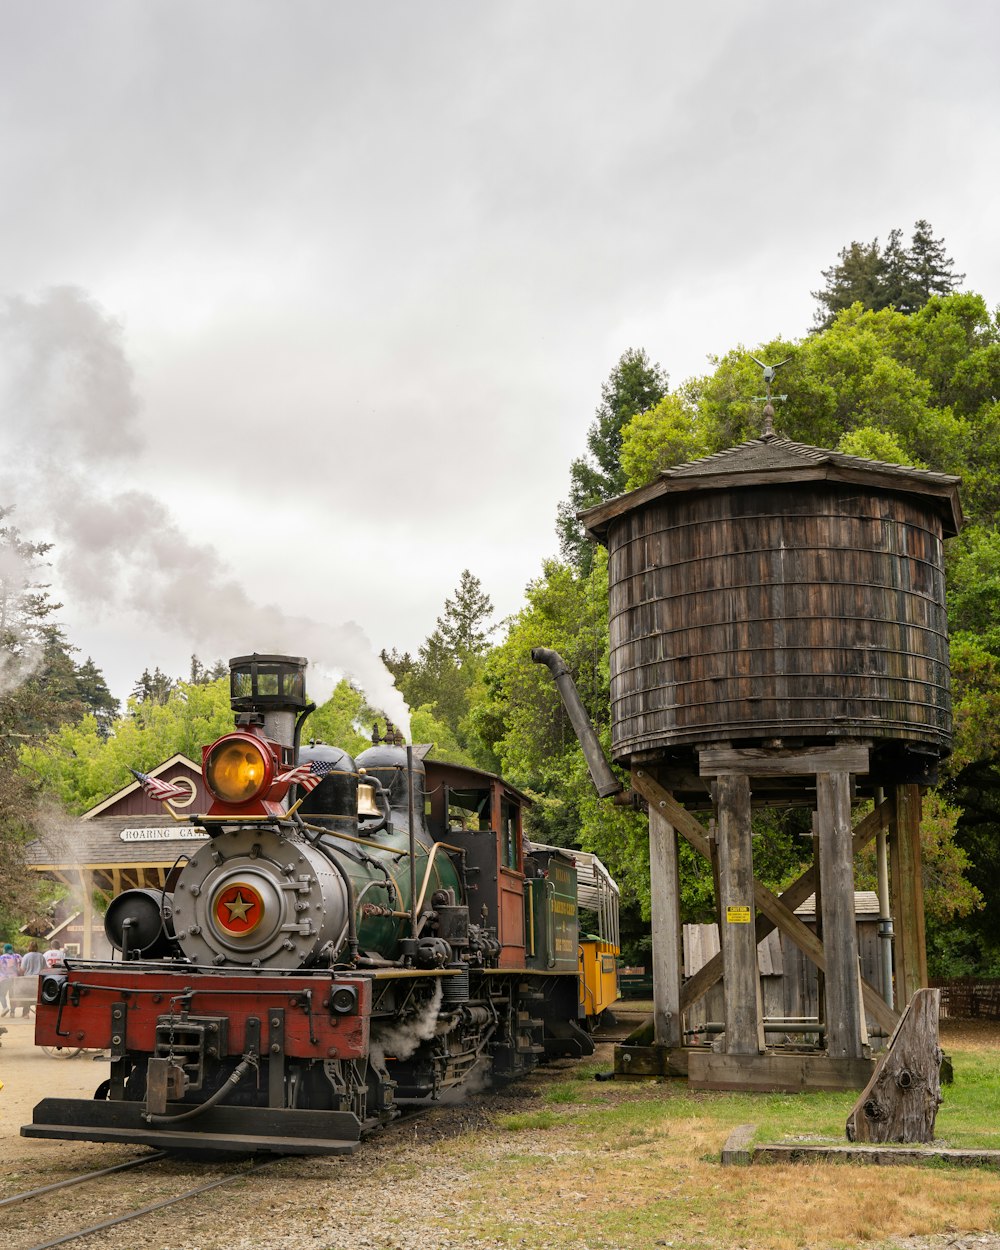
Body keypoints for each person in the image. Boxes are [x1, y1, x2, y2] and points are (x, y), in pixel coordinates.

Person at [19, 940, 46, 1018]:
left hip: (28, 980)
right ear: (37, 947)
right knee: (37, 997)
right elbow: (45, 969)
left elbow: (22, 969)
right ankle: (38, 1013)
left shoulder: (26, 956)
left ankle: (26, 1014)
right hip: (38, 980)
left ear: (29, 947)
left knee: (26, 996)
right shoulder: (41, 956)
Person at [0, 942, 21, 1016]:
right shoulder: (17, 956)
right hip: (15, 980)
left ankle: (5, 1007)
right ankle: (12, 1012)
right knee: (12, 996)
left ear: (5, 949)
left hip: (4, 979)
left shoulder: (1, 957)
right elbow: (21, 967)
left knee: (2, 994)